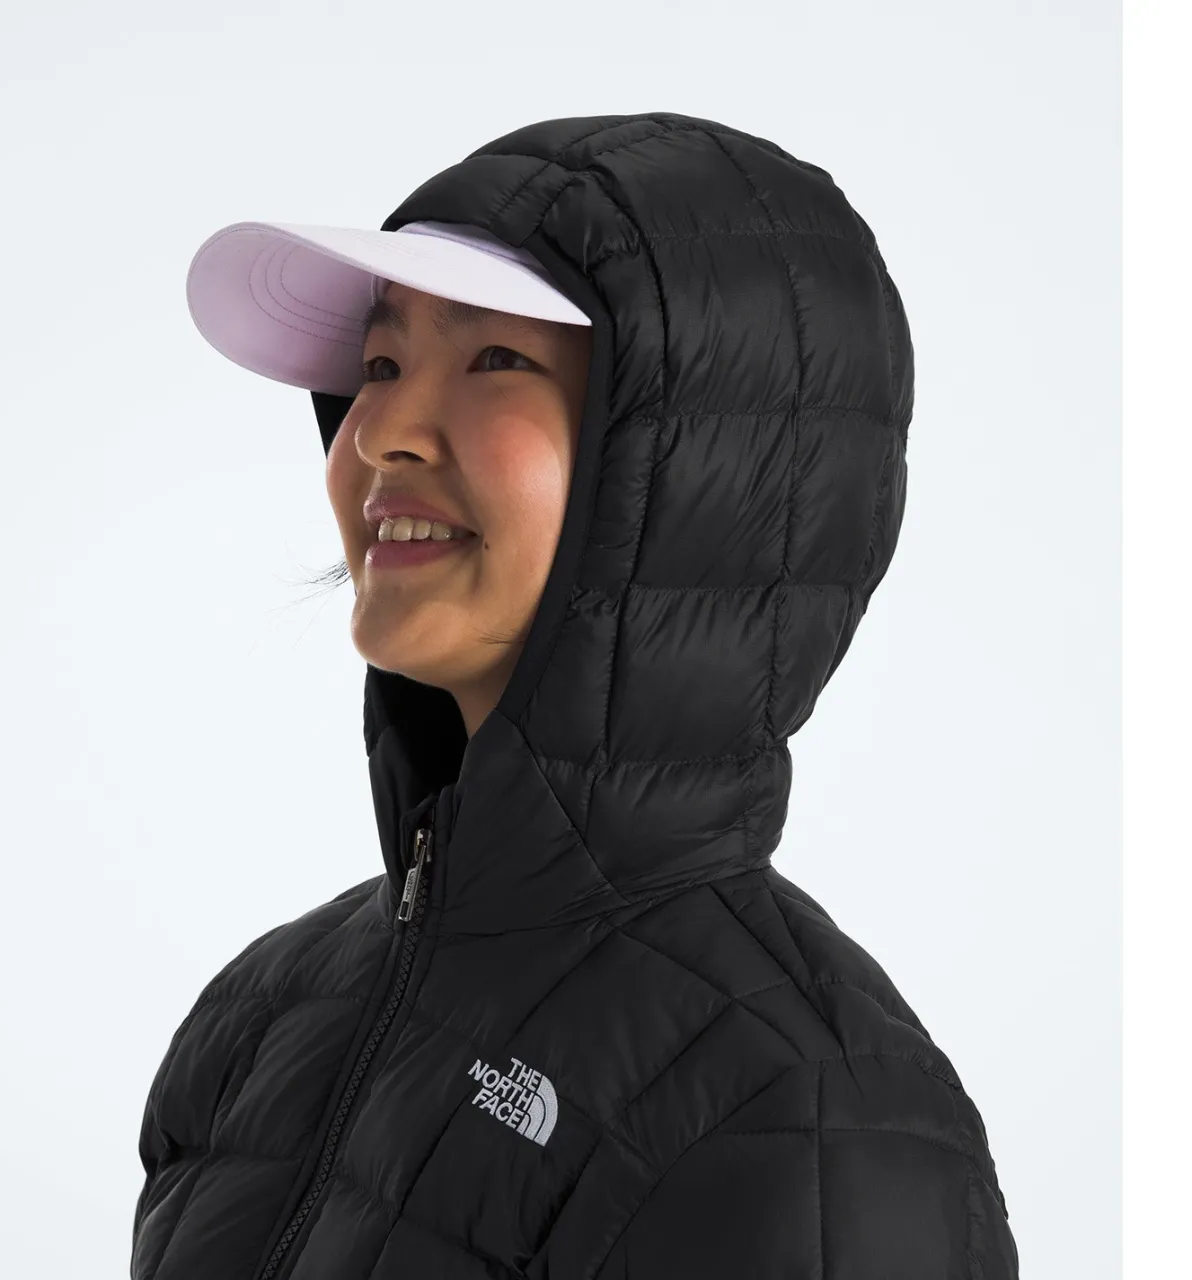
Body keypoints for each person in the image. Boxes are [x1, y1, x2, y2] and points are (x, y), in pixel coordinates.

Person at [132, 110, 1020, 1279]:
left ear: (687, 476)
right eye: (380, 365)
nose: (378, 431)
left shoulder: (811, 1117)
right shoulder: (257, 1019)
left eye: (496, 360)